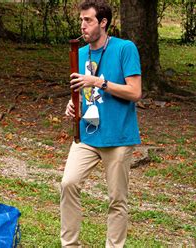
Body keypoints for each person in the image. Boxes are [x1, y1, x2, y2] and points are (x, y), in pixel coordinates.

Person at [61, 0, 142, 247]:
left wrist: (99, 82)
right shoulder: (80, 53)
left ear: (103, 23)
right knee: (68, 183)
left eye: (88, 20)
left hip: (118, 136)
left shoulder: (124, 48)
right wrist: (71, 104)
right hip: (87, 136)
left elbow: (135, 92)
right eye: (81, 20)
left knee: (117, 199)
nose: (83, 25)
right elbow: (83, 91)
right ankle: (70, 245)